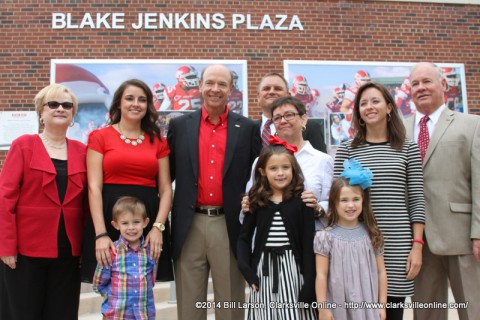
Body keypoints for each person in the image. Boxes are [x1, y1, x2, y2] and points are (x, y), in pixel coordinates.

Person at [166, 64, 261, 320]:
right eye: (210, 83)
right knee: (189, 306)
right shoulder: (179, 126)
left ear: (231, 89)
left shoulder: (249, 128)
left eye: (222, 84)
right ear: (200, 86)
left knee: (230, 304)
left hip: (229, 225)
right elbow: (167, 177)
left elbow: (258, 178)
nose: (215, 89)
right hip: (189, 224)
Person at [334, 82, 425, 320]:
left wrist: (417, 245)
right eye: (363, 103)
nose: (369, 107)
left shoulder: (408, 148)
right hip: (358, 242)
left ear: (389, 107)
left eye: (375, 101)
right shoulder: (347, 149)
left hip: (397, 244)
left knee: (392, 312)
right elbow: (338, 201)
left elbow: (416, 199)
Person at [0, 84, 87, 320]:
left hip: (68, 253)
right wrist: (6, 246)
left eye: (67, 105)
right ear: (42, 111)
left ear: (73, 115)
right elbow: (5, 197)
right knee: (23, 313)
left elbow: (90, 202)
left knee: (62, 313)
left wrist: (86, 246)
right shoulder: (23, 145)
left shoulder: (83, 151)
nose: (60, 109)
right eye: (53, 104)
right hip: (25, 252)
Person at [405, 62, 480, 320]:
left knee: (473, 310)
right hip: (417, 242)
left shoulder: (472, 125)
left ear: (443, 85)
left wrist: (479, 232)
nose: (421, 88)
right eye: (415, 84)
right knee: (425, 314)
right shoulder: (399, 130)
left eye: (427, 81)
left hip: (462, 238)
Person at [81, 79, 173, 284]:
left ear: (148, 106)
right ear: (119, 104)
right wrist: (100, 234)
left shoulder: (158, 140)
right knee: (111, 292)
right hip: (109, 217)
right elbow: (94, 188)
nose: (135, 104)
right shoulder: (100, 136)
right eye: (129, 98)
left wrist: (158, 227)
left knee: (142, 289)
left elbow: (166, 189)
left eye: (142, 100)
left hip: (146, 220)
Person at [237, 142, 317, 319]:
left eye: (285, 167)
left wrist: (309, 284)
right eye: (273, 168)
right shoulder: (256, 201)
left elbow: (308, 244)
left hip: (294, 272)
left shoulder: (302, 202)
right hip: (263, 272)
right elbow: (243, 239)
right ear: (262, 172)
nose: (280, 173)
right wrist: (247, 271)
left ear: (293, 169)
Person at [245, 95, 333, 230]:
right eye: (277, 118)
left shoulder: (322, 160)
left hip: (310, 240)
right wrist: (247, 204)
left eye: (289, 115)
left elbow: (332, 201)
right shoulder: (261, 161)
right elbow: (250, 200)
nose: (283, 121)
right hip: (269, 239)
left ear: (304, 119)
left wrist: (318, 208)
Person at [315, 159, 387, 320]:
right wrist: (323, 308)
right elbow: (321, 274)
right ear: (334, 202)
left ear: (363, 201)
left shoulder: (372, 234)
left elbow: (381, 272)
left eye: (355, 199)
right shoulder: (325, 237)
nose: (350, 205)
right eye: (344, 200)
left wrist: (382, 305)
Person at [93, 196, 157, 319]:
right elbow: (98, 284)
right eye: (125, 223)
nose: (131, 227)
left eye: (136, 222)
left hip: (143, 315)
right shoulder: (111, 252)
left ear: (145, 222)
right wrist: (114, 295)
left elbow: (151, 281)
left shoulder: (150, 251)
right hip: (116, 315)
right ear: (116, 225)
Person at [256, 72, 327, 153]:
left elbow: (321, 162)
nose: (271, 92)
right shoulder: (249, 129)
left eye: (278, 88)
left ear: (288, 95)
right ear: (258, 96)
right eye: (266, 88)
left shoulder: (311, 127)